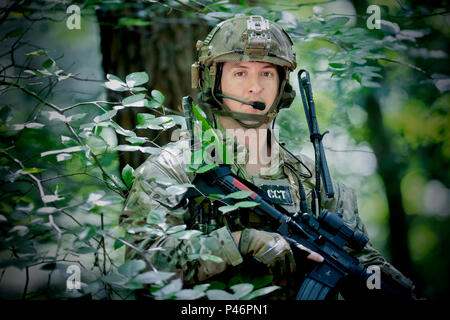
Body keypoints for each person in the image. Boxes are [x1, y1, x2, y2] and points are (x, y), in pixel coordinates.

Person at [120, 15, 414, 299]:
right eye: (240, 72)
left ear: (282, 84)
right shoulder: (174, 169)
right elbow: (143, 267)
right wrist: (239, 243)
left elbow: (365, 265)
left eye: (266, 73)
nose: (255, 87)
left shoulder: (314, 182)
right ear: (214, 81)